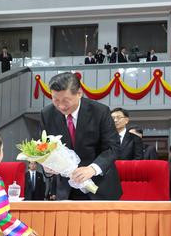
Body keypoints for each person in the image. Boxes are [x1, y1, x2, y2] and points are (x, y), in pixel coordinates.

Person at [39, 72, 122, 201]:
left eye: (66, 101)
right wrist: (47, 167)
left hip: (99, 187)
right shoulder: (47, 114)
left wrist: (92, 169)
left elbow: (113, 148)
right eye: (55, 100)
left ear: (79, 93)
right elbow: (44, 148)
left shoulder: (100, 111)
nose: (61, 106)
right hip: (66, 191)